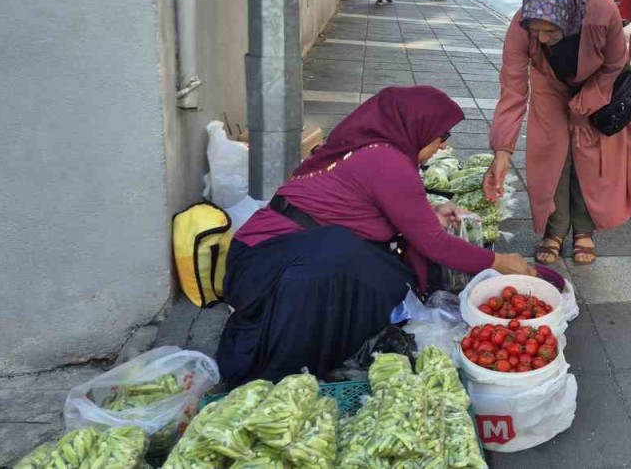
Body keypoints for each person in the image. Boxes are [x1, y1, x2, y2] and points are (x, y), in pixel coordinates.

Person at [216, 86, 537, 385]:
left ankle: (342, 332)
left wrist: (433, 213)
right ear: (418, 127)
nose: (445, 145)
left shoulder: (372, 146)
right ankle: (299, 355)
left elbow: (369, 203)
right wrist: (500, 260)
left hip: (263, 249)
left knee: (380, 267)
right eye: (442, 135)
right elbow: (434, 244)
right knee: (379, 274)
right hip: (272, 266)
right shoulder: (389, 162)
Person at [485, 0, 631, 267]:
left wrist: (584, 106)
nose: (541, 38)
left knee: (589, 155)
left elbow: (615, 65)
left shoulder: (603, 12)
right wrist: (502, 151)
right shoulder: (521, 26)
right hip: (550, 86)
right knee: (552, 154)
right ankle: (554, 230)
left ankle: (584, 230)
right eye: (535, 30)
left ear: (568, 15)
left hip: (596, 83)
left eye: (549, 31)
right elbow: (512, 91)